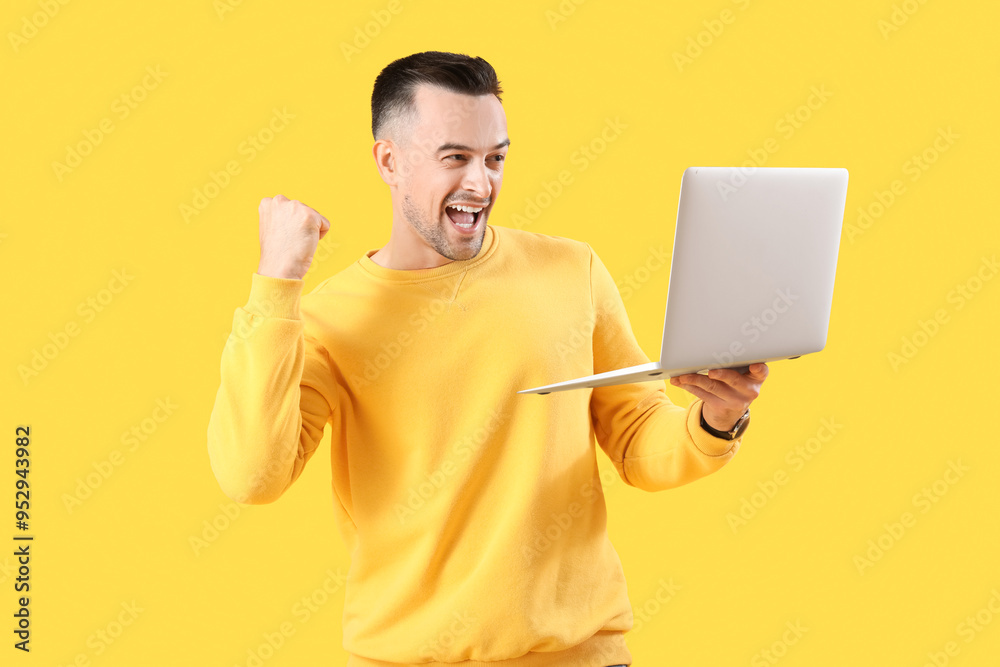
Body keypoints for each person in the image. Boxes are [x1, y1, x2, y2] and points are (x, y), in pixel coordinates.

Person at [207, 50, 768, 667]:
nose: (481, 183)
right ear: (388, 161)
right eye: (455, 158)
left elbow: (637, 440)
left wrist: (713, 421)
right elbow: (252, 476)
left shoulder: (570, 270)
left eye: (495, 158)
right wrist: (275, 282)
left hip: (581, 655)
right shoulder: (327, 320)